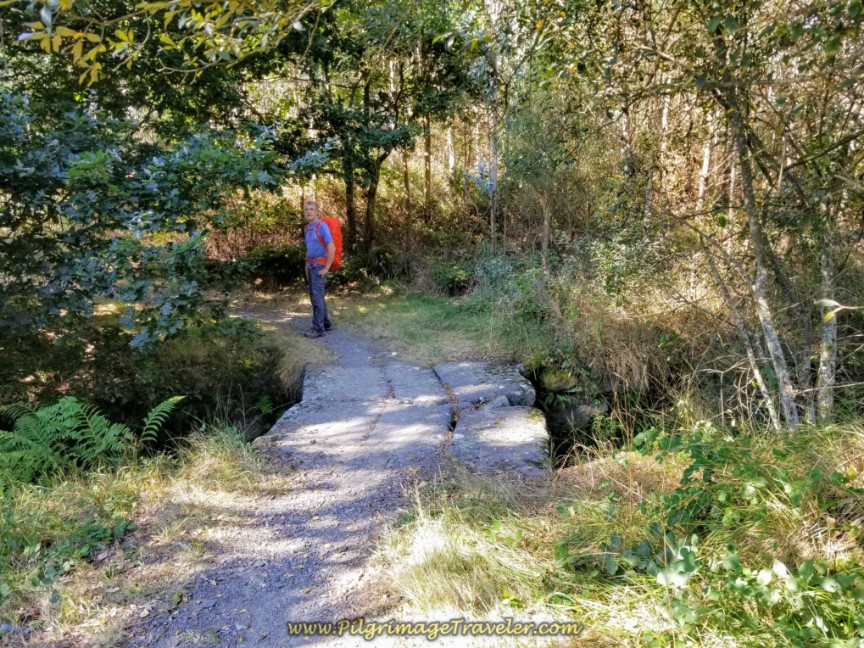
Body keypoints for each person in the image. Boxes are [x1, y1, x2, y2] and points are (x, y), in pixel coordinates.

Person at [302, 200, 335, 338]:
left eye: (311, 209)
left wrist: (326, 267)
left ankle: (318, 328)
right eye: (306, 209)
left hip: (319, 266)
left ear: (317, 212)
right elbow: (309, 249)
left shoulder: (322, 226)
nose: (309, 211)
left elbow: (331, 247)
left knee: (316, 297)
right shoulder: (307, 228)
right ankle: (326, 323)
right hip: (311, 266)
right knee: (317, 296)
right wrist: (306, 267)